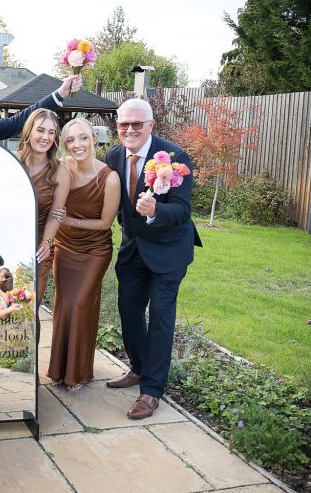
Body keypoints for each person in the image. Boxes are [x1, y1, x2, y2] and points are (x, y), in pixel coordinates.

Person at [105, 98, 202, 420]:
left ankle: (151, 391)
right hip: (133, 249)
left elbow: (183, 210)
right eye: (123, 124)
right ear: (117, 126)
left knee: (161, 319)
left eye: (136, 124)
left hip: (168, 251)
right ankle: (138, 367)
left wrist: (157, 210)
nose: (129, 130)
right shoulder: (114, 154)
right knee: (129, 312)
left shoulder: (174, 157)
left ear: (150, 125)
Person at [47, 118, 120, 393]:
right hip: (64, 247)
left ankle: (78, 371)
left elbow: (104, 223)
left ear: (94, 139)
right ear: (64, 145)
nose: (77, 144)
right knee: (64, 304)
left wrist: (70, 222)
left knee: (80, 303)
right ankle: (58, 369)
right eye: (70, 140)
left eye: (82, 138)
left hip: (94, 250)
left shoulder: (109, 177)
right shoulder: (61, 169)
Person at [13, 108, 70, 303]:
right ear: (29, 131)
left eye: (51, 132)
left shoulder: (60, 172)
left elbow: (56, 213)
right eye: (40, 130)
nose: (45, 137)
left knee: (28, 305)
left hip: (38, 245)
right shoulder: (10, 160)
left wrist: (47, 241)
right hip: (7, 238)